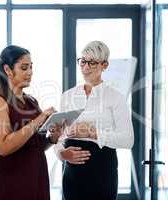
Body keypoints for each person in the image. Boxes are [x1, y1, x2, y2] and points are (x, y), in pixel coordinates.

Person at [0, 45, 73, 200]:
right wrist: (39, 119)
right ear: (7, 70)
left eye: (31, 67)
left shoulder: (31, 101)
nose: (30, 72)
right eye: (24, 68)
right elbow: (3, 147)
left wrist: (52, 139)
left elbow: (36, 145)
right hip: (9, 179)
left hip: (36, 176)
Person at [54, 41, 134, 200]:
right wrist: (61, 154)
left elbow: (128, 140)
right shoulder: (67, 96)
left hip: (103, 171)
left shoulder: (115, 97)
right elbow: (59, 137)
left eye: (92, 62)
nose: (86, 67)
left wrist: (93, 133)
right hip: (72, 174)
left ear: (104, 65)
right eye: (83, 61)